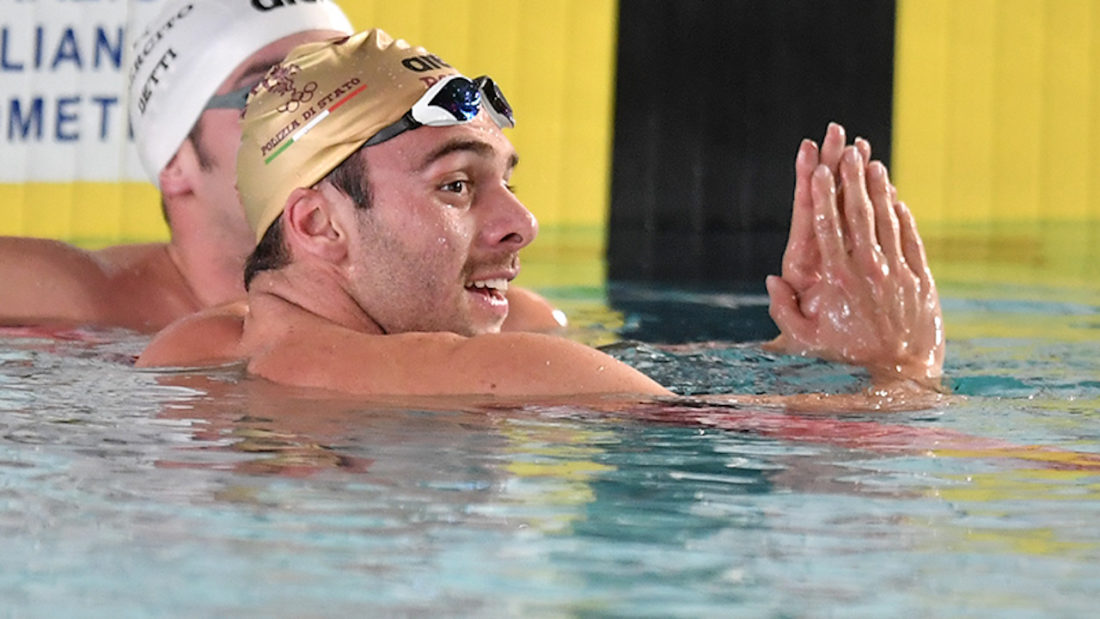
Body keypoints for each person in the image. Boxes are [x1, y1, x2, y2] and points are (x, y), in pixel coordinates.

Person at [137, 28, 944, 407]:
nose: (520, 223)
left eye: (504, 182)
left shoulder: (190, 354)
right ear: (317, 226)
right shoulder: (509, 374)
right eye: (457, 186)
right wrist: (902, 370)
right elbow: (824, 451)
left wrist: (793, 358)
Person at [0, 0, 562, 334]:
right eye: (269, 93)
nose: (320, 121)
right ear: (176, 160)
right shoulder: (63, 297)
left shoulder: (501, 319)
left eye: (349, 91)